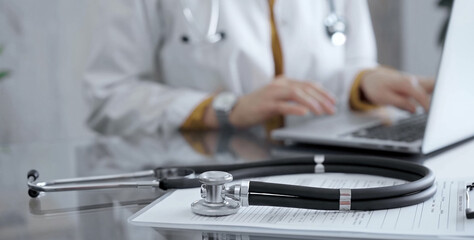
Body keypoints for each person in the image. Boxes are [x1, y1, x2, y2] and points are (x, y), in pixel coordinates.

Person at [84, 0, 434, 136]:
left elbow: (350, 59)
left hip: (324, 181)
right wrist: (226, 109)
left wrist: (363, 82)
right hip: (212, 183)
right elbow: (108, 97)